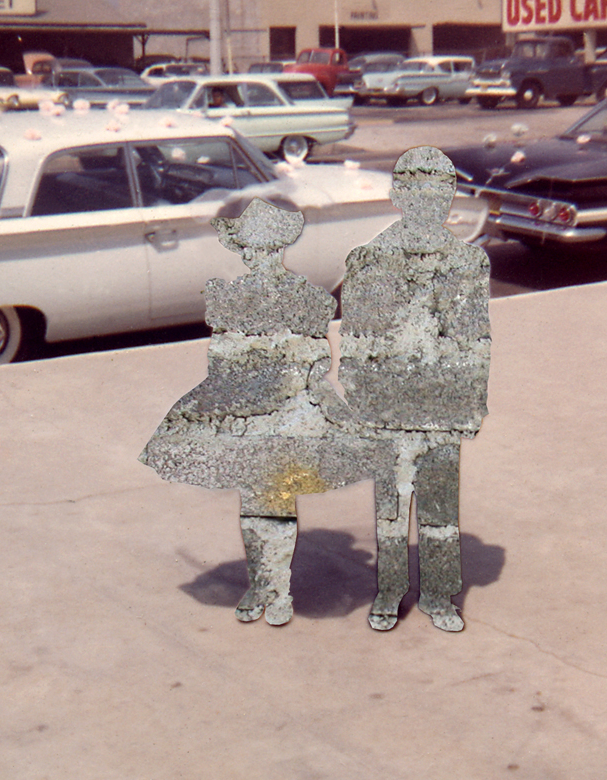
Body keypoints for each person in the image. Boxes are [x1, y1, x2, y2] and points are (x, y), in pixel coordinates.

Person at [140, 198, 382, 625]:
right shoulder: (227, 296)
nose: (254, 255)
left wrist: (281, 375)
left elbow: (315, 360)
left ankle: (279, 589)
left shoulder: (308, 299)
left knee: (276, 498)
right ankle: (261, 584)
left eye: (262, 247)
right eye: (249, 248)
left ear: (278, 248)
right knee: (256, 501)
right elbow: (221, 358)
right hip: (243, 408)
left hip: (289, 410)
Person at [336, 147, 491, 632]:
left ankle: (439, 596)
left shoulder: (468, 261)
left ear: (451, 197)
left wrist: (473, 402)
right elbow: (355, 342)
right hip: (387, 405)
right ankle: (389, 589)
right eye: (418, 192)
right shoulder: (368, 260)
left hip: (442, 405)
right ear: (397, 196)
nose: (431, 203)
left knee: (441, 510)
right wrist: (359, 404)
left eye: (441, 192)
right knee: (391, 509)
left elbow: (476, 340)